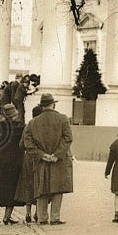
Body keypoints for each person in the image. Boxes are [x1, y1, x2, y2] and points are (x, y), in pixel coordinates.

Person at [22, 93, 74, 225]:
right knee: (58, 187)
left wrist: (42, 154)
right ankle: (55, 217)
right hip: (59, 160)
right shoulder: (63, 119)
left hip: (41, 161)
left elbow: (27, 143)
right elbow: (68, 138)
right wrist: (56, 154)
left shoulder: (33, 122)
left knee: (41, 187)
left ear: (42, 106)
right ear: (53, 104)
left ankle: (42, 217)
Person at [0, 104, 25, 225]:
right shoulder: (20, 127)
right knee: (12, 188)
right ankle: (6, 217)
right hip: (15, 160)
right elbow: (23, 143)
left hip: (0, 159)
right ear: (14, 114)